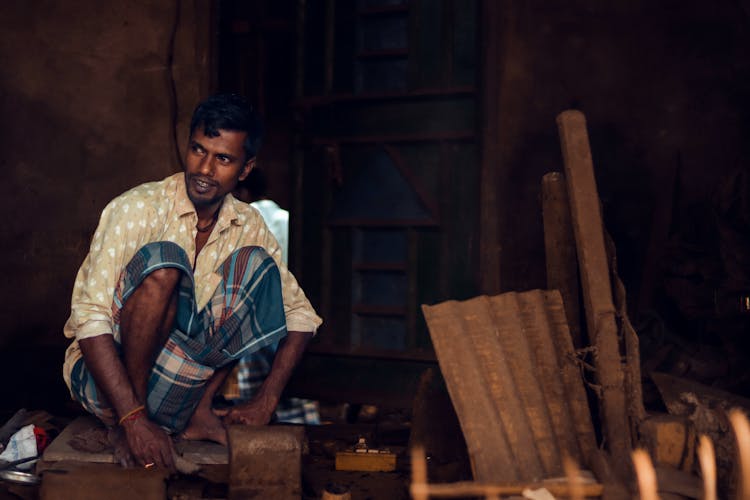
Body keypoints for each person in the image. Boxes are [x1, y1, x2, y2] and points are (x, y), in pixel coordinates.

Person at [62, 93, 322, 471]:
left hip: (176, 392)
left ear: (245, 169)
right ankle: (130, 418)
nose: (204, 169)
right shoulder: (136, 209)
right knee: (166, 261)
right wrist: (132, 420)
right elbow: (89, 318)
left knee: (256, 266)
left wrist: (267, 400)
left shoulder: (247, 225)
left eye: (223, 159)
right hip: (106, 388)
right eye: (199, 150)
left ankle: (198, 413)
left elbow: (302, 317)